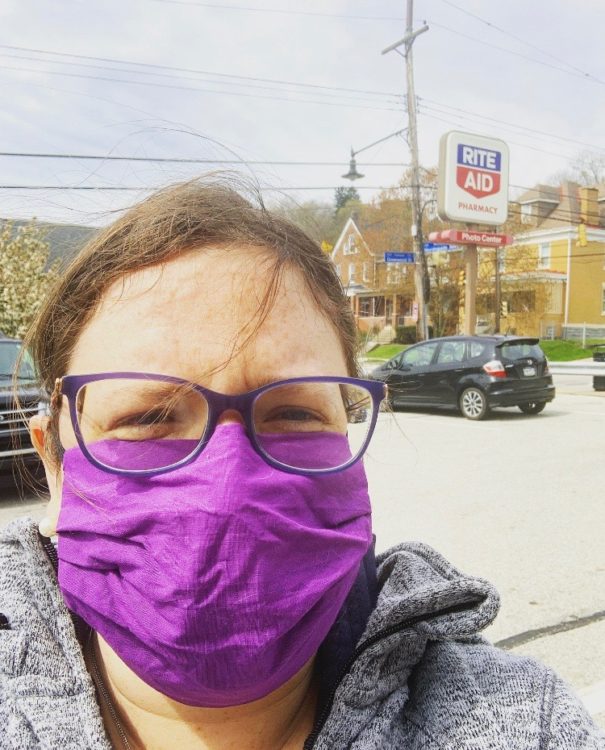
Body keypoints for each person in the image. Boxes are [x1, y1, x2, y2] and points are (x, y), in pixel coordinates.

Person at [0, 178, 603, 750]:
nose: (225, 488)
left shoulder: (526, 723)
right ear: (53, 463)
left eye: (292, 413)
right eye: (149, 418)